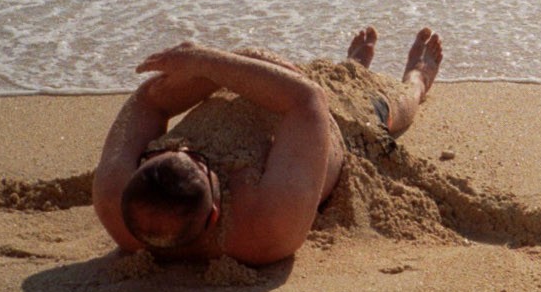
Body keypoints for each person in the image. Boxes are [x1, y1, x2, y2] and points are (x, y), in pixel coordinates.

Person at [92, 26, 443, 267]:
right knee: (387, 108)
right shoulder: (265, 227)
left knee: (274, 67)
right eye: (198, 159)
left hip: (260, 93)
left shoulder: (115, 200)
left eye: (160, 151)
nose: (180, 148)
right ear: (216, 213)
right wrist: (206, 61)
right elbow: (308, 98)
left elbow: (146, 105)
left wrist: (219, 68)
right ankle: (417, 79)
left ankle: (350, 65)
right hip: (329, 120)